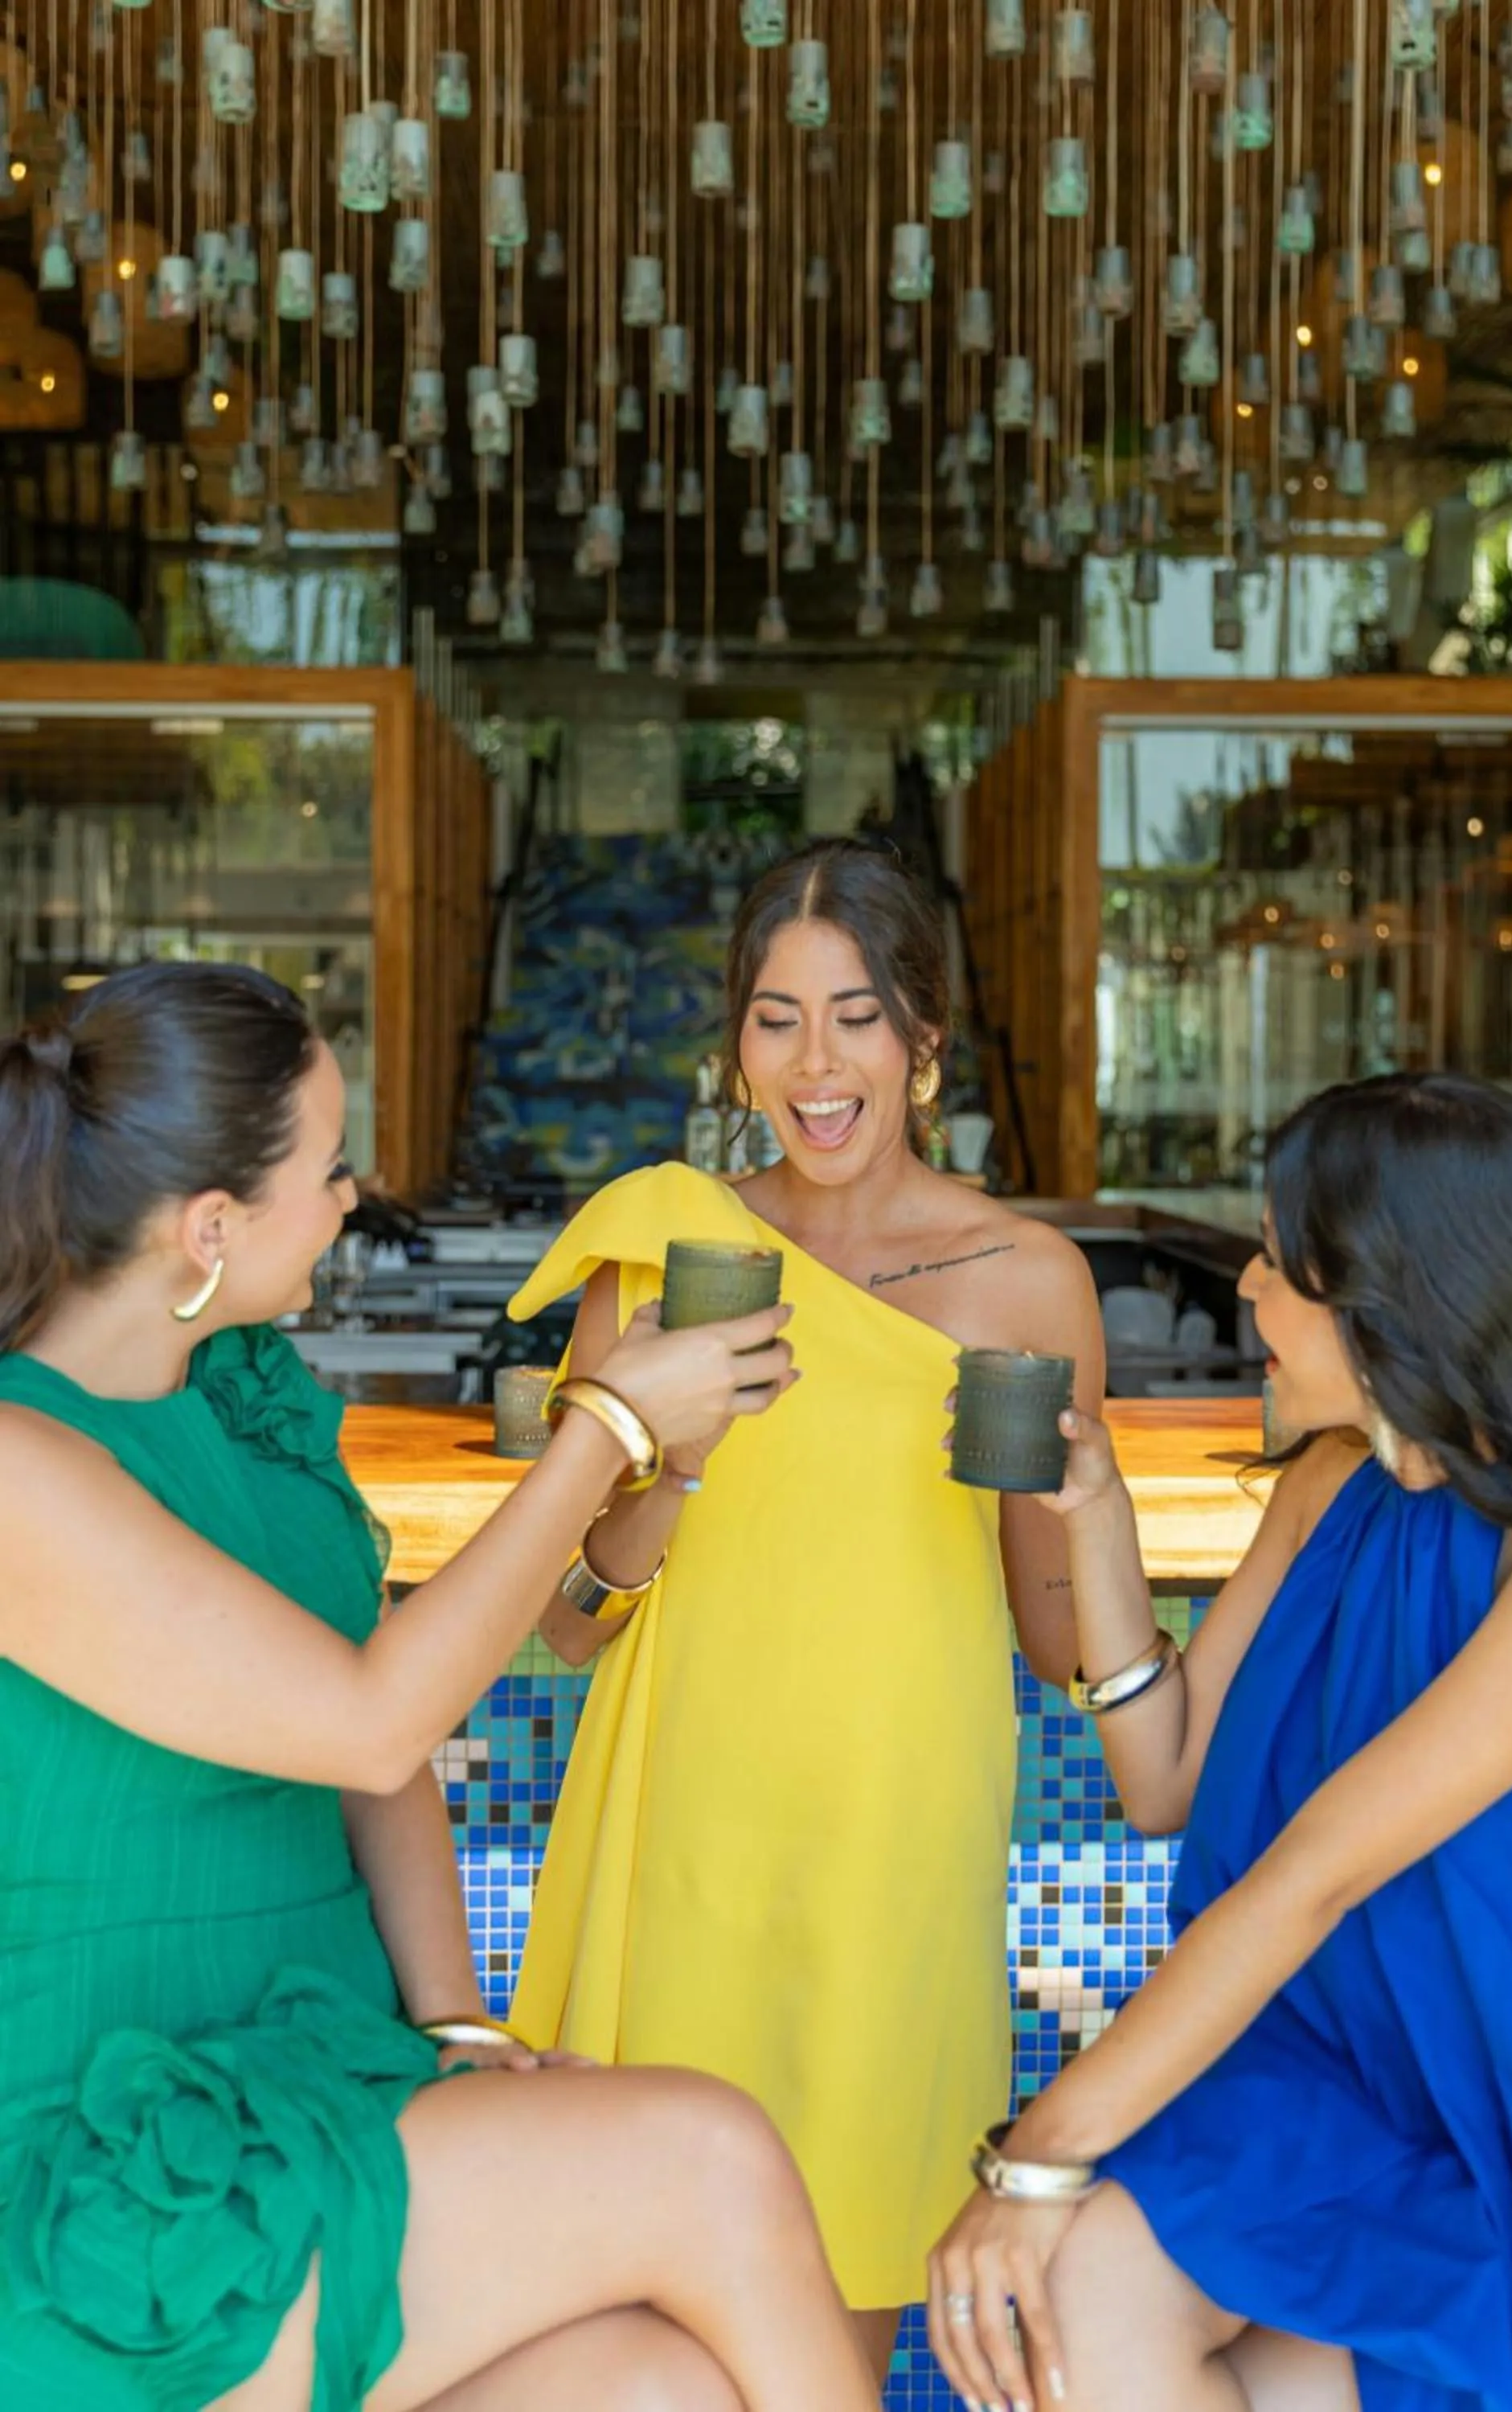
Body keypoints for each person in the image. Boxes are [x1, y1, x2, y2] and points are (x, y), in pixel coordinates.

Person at [0, 961, 883, 2412]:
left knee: (662, 2387)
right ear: (210, 1228)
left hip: (311, 2080)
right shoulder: (20, 1467)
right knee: (711, 2159)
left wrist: (459, 2027)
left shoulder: (239, 1398)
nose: (355, 1197)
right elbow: (372, 1718)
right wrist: (605, 1429)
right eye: (329, 1171)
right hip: (107, 2173)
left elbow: (379, 1763)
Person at [503, 839, 1106, 2375]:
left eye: (856, 1018)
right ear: (736, 1048)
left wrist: (1092, 1523)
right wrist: (671, 1452)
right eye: (777, 1020)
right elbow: (570, 1622)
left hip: (891, 1859)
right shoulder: (661, 1249)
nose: (817, 1064)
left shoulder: (1027, 1280)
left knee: (827, 2348)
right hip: (677, 1837)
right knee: (638, 2343)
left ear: (923, 1041)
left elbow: (1055, 1638)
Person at [926, 1071, 1512, 2412]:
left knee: (1073, 2280)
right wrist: (1097, 1516)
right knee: (1080, 2297)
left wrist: (1032, 2160)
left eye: (1280, 1264)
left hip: (1511, 2130)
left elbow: (1312, 1878)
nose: (1245, 1288)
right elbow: (1163, 1784)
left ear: (1391, 1300)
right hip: (1323, 2088)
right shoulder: (1335, 1483)